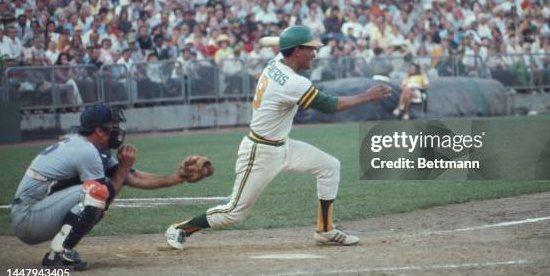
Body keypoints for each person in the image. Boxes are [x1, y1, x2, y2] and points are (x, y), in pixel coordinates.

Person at [165, 25, 392, 249]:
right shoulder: (293, 82)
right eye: (310, 49)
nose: (314, 54)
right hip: (260, 152)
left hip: (282, 145)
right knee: (234, 213)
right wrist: (366, 96)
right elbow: (330, 105)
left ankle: (325, 230)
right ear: (296, 52)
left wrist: (289, 40)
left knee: (329, 166)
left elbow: (283, 48)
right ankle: (180, 229)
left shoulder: (276, 62)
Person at [10, 105, 208, 270]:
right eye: (112, 126)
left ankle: (61, 249)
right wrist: (123, 167)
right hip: (29, 219)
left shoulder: (88, 146)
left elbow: (131, 178)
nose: (117, 130)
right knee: (95, 194)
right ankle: (57, 255)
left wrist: (177, 178)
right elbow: (107, 193)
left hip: (37, 212)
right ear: (99, 130)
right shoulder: (86, 151)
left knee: (95, 194)